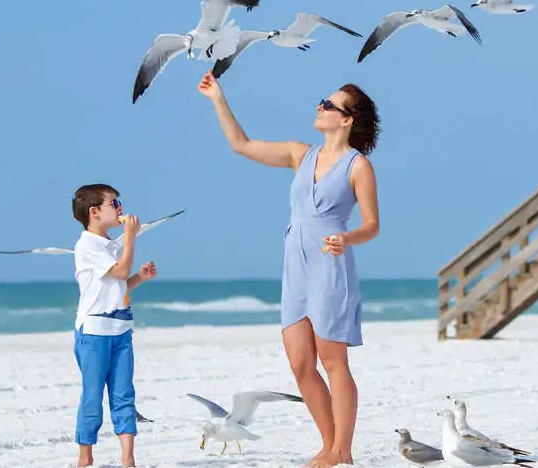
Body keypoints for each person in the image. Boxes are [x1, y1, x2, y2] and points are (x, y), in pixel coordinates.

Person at [198, 72, 380, 468]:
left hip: (330, 266)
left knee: (334, 363)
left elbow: (371, 225)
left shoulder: (358, 166)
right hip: (295, 269)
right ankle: (329, 445)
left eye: (329, 104)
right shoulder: (301, 154)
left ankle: (342, 451)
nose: (320, 106)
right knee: (300, 364)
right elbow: (242, 145)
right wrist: (218, 99)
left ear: (346, 120)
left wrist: (347, 238)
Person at [71, 184, 158, 468]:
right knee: (93, 397)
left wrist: (139, 278)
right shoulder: (87, 245)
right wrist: (131, 237)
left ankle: (128, 459)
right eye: (115, 204)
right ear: (95, 212)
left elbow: (116, 286)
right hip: (94, 334)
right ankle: (85, 457)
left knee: (124, 395)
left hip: (120, 331)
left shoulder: (109, 245)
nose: (120, 209)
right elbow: (120, 271)